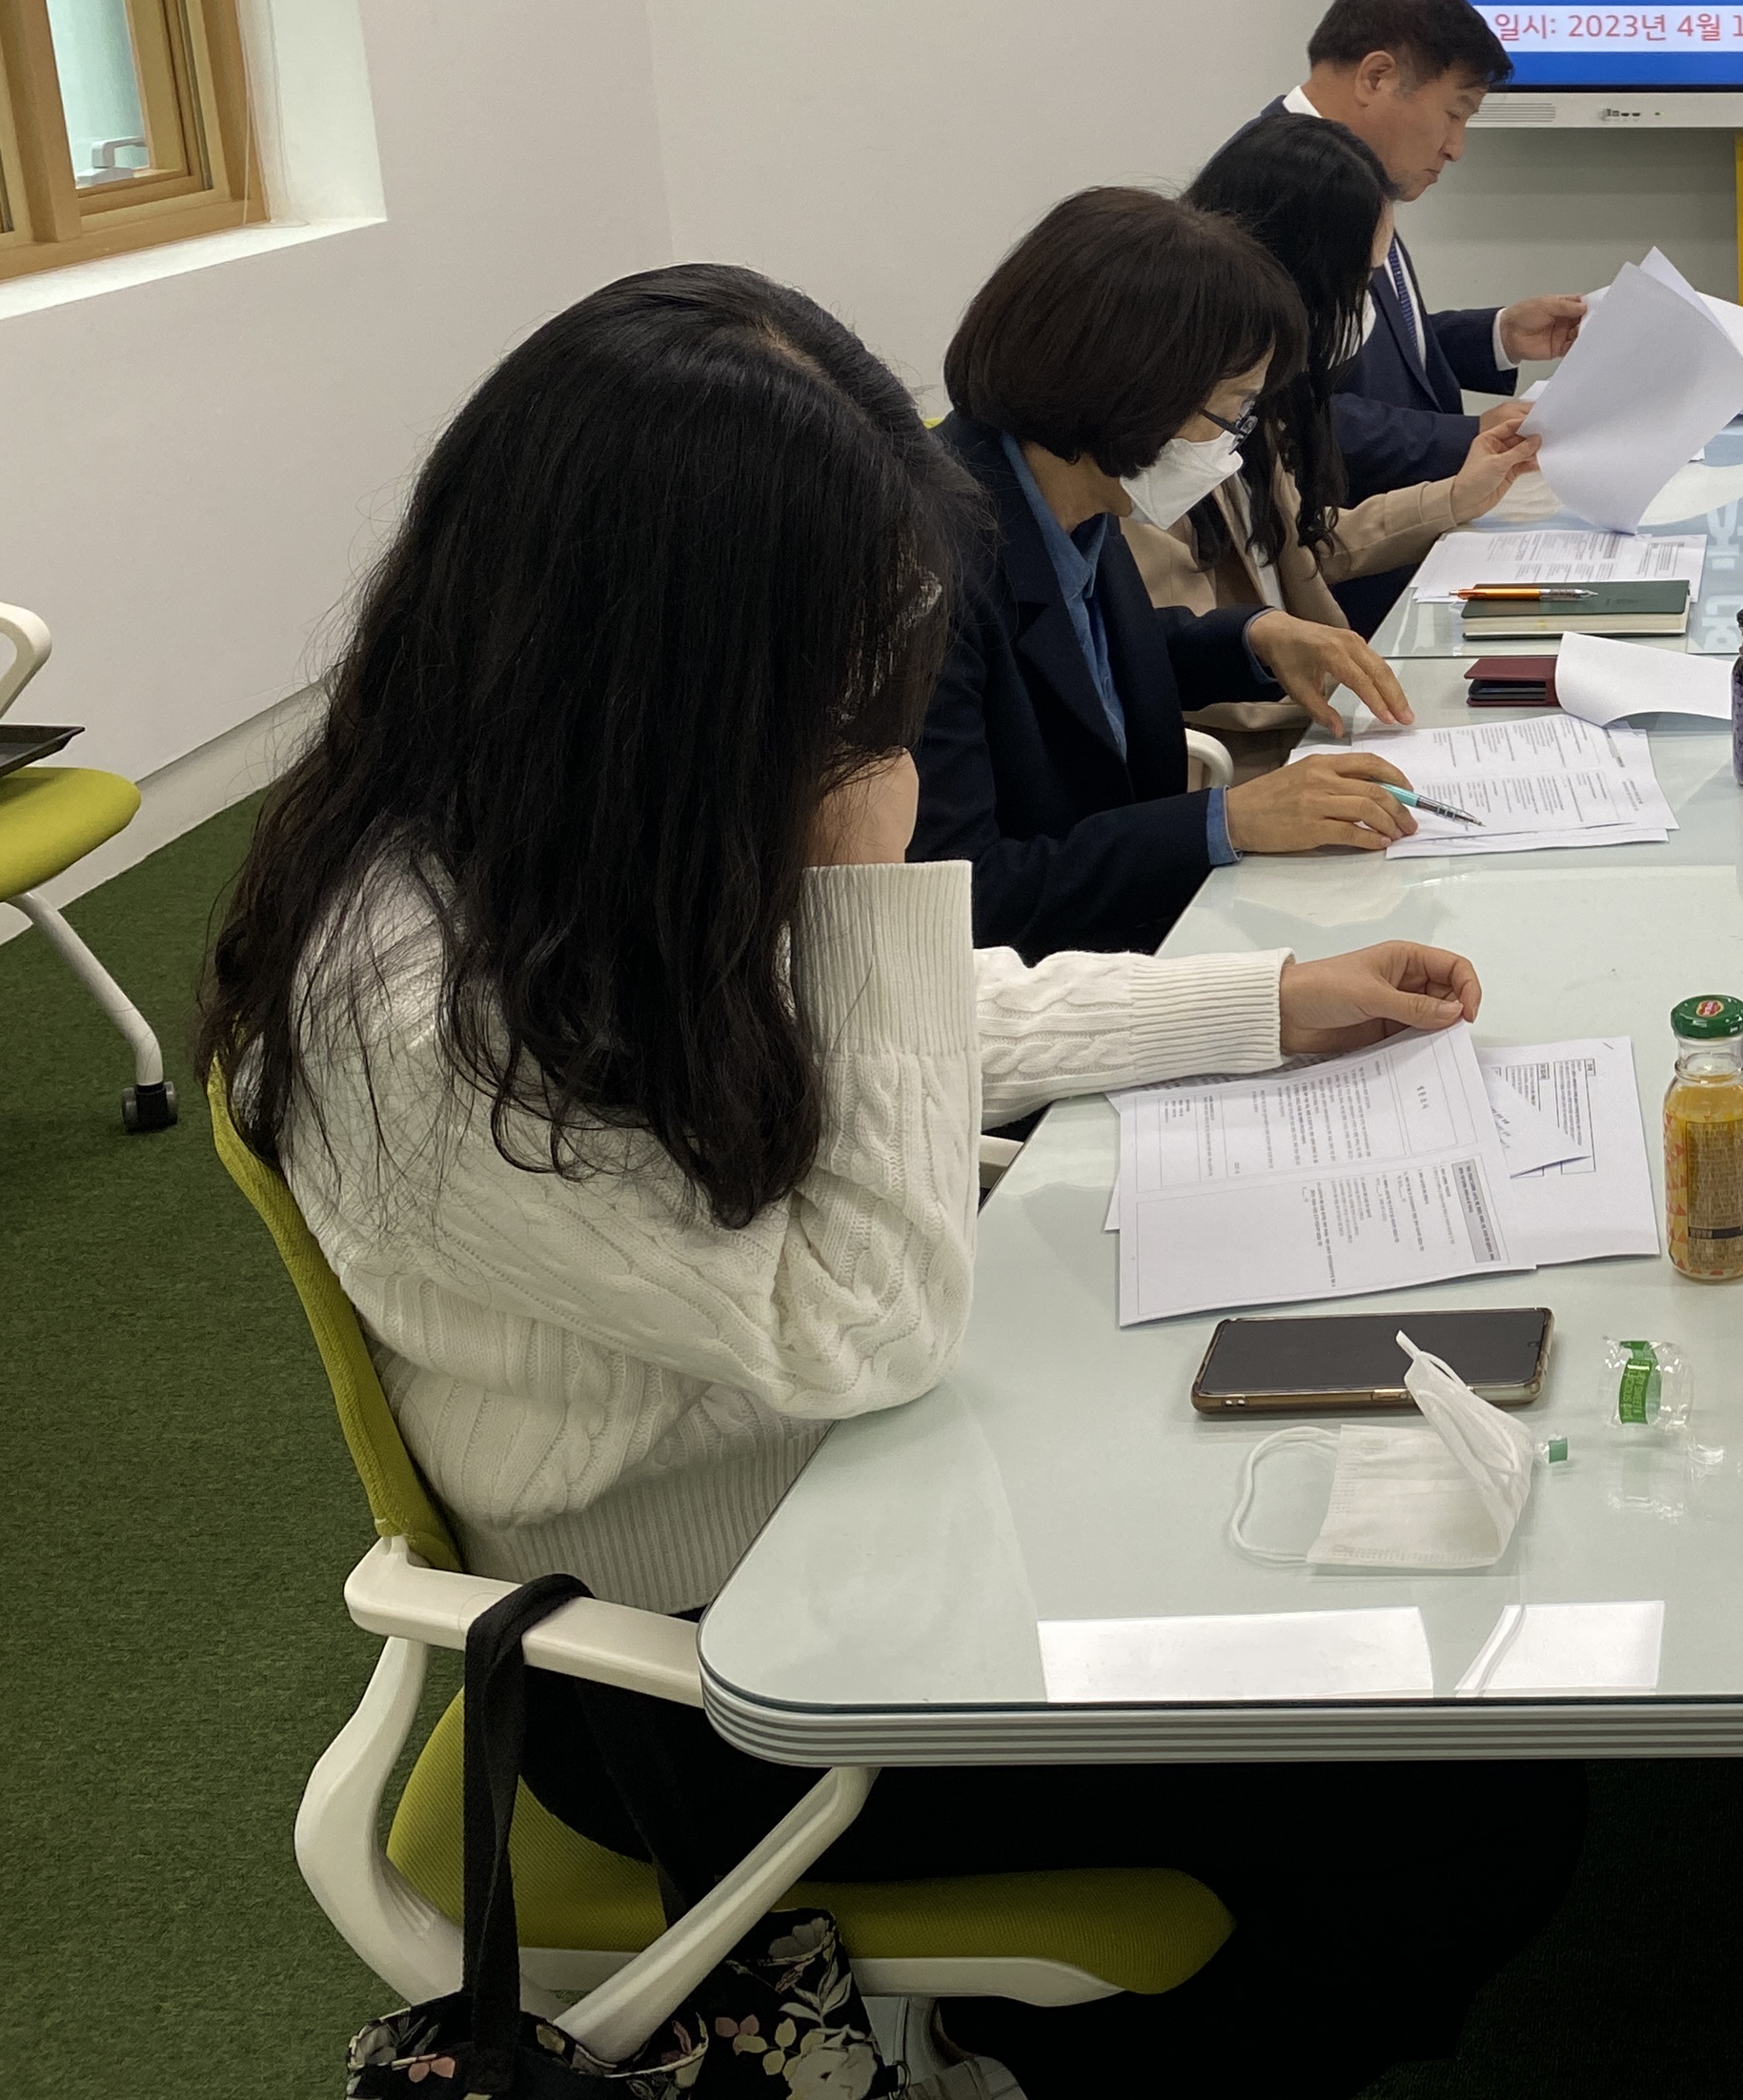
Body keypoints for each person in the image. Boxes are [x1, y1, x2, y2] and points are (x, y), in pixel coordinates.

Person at [199, 263, 1579, 2097]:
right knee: (1471, 1805)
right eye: (836, 679)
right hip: (732, 1668)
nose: (864, 722)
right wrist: (869, 884)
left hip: (870, 1508)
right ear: (662, 645)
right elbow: (865, 1316)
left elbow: (935, 1027)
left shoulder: (577, 806)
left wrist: (1265, 1000)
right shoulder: (412, 1003)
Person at [916, 186, 1425, 960]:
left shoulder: (1070, 489)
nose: (1232, 448)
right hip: (1048, 978)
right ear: (1128, 391)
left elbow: (1086, 662)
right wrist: (1227, 821)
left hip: (1132, 934)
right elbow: (967, 895)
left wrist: (1254, 639)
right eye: (1230, 415)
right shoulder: (929, 570)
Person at [1157, 107, 1542, 646]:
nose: (1363, 309)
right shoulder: (1174, 426)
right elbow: (1174, 645)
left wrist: (1457, 497)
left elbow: (1303, 544)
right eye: (1359, 283)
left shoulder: (1251, 402)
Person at [1278, 0, 1587, 621]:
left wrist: (1499, 334)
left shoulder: (1347, 172)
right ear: (1377, 77)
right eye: (1455, 113)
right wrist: (1468, 435)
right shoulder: (1279, 188)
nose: (1456, 147)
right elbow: (1289, 414)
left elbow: (1371, 347)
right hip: (1345, 571)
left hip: (1409, 543)